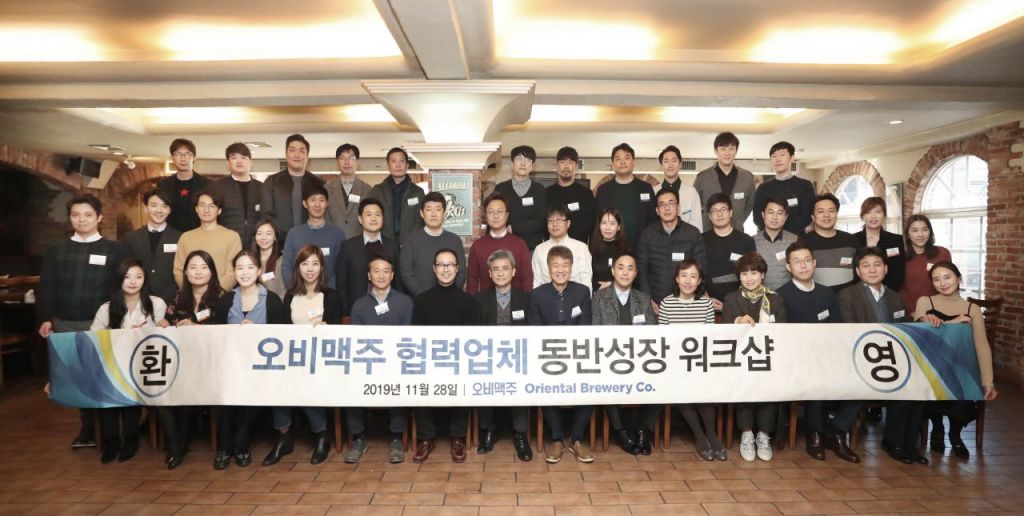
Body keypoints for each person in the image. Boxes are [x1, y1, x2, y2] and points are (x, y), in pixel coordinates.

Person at [37, 193, 128, 449]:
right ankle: (87, 428)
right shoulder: (56, 250)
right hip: (65, 322)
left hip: (100, 324)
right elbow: (47, 286)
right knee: (77, 377)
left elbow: (120, 287)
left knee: (102, 375)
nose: (82, 219)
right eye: (76, 215)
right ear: (70, 218)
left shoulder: (115, 249)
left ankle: (109, 430)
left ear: (99, 217)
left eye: (88, 215)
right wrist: (45, 318)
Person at [776, 243, 859, 463]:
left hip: (830, 356)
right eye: (797, 262)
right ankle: (815, 434)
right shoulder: (781, 295)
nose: (803, 265)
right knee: (816, 377)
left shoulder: (827, 293)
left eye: (807, 261)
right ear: (788, 267)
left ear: (814, 264)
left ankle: (837, 430)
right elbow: (781, 336)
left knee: (862, 380)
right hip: (797, 360)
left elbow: (838, 329)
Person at [837, 247, 921, 465]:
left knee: (916, 386)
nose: (872, 270)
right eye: (866, 266)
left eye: (877, 265)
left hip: (893, 360)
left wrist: (923, 320)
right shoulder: (847, 296)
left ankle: (902, 442)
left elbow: (905, 329)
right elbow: (849, 332)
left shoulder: (895, 297)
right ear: (858, 271)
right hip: (860, 359)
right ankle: (838, 432)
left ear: (885, 269)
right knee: (861, 387)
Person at [263, 246, 341, 467]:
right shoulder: (290, 296)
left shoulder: (331, 296)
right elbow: (283, 332)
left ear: (322, 268)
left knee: (304, 382)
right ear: (298, 268)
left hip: (322, 361)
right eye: (305, 264)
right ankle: (283, 435)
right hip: (294, 359)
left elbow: (339, 335)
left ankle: (322, 434)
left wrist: (328, 328)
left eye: (315, 264)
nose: (310, 269)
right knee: (280, 382)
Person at [914, 261, 997, 459]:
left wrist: (988, 381)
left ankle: (955, 433)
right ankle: (937, 429)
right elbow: (920, 330)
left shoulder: (972, 308)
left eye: (947, 277)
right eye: (936, 279)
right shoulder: (925, 302)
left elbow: (982, 346)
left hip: (961, 367)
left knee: (965, 393)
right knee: (931, 385)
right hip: (933, 366)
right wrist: (946, 321)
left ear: (958, 278)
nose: (942, 283)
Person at [212, 250, 287, 469]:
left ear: (259, 271)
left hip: (262, 368)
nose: (245, 273)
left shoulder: (272, 301)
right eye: (240, 268)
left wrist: (257, 332)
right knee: (224, 393)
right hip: (230, 365)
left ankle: (241, 445)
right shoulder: (226, 301)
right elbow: (217, 337)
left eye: (250, 267)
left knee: (250, 392)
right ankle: (224, 448)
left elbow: (281, 337)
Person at [90, 259, 167, 463]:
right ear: (119, 279)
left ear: (145, 280)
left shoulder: (156, 303)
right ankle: (111, 442)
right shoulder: (106, 308)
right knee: (108, 386)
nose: (133, 282)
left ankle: (131, 440)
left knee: (131, 386)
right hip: (113, 362)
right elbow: (94, 337)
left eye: (138, 277)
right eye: (127, 277)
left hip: (144, 364)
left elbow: (159, 335)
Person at [411, 249, 480, 463]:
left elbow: (473, 340)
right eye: (441, 265)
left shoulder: (469, 302)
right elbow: (417, 337)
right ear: (434, 269)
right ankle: (426, 437)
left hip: (459, 363)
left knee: (465, 380)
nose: (446, 269)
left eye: (450, 265)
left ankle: (458, 437)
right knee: (417, 381)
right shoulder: (422, 301)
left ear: (457, 269)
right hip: (429, 362)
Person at [529, 245, 594, 463]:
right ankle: (556, 439)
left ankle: (576, 439)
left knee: (592, 387)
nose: (560, 270)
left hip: (577, 357)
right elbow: (535, 331)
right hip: (548, 358)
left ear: (571, 267)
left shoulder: (582, 292)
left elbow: (585, 327)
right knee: (544, 387)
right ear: (548, 268)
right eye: (556, 265)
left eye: (565, 265)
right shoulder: (537, 295)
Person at [161, 250, 225, 469]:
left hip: (211, 364)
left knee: (186, 390)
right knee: (161, 393)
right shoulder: (179, 297)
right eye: (193, 267)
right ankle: (176, 444)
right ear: (186, 272)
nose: (198, 272)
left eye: (203, 267)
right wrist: (164, 325)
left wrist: (196, 327)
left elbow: (226, 332)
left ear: (212, 271)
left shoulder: (223, 297)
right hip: (181, 362)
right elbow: (168, 322)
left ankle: (180, 444)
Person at [347, 255, 414, 464]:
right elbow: (356, 341)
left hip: (396, 363)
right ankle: (358, 437)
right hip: (367, 364)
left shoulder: (405, 302)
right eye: (376, 271)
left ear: (392, 275)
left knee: (400, 381)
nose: (381, 275)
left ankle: (396, 437)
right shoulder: (359, 305)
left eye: (386, 271)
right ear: (369, 275)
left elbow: (408, 338)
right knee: (349, 383)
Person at [722, 252, 787, 462]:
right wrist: (737, 322)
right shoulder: (731, 299)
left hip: (769, 358)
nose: (749, 278)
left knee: (769, 388)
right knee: (744, 385)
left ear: (763, 275)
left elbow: (784, 330)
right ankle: (747, 434)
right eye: (744, 274)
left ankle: (764, 436)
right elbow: (724, 330)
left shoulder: (775, 299)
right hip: (740, 359)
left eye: (754, 273)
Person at [657, 260, 725, 461]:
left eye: (693, 276)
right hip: (674, 364)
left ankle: (712, 436)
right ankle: (700, 437)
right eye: (684, 276)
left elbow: (709, 336)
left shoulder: (705, 303)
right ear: (677, 279)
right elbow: (663, 338)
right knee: (680, 390)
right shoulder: (667, 303)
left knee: (704, 392)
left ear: (700, 281)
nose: (688, 281)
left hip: (700, 362)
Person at [592, 253, 658, 456]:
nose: (625, 272)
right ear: (613, 271)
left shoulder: (643, 299)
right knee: (606, 381)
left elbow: (652, 333)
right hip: (609, 359)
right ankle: (620, 431)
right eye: (621, 267)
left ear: (636, 273)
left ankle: (643, 430)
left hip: (640, 359)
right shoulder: (599, 298)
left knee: (661, 380)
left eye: (630, 268)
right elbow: (595, 331)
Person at [474, 250, 533, 460]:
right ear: (490, 273)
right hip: (488, 358)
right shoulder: (479, 300)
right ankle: (488, 431)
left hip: (519, 358)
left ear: (513, 271)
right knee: (484, 383)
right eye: (496, 269)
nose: (500, 273)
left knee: (522, 384)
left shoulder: (526, 299)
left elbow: (533, 331)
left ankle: (520, 434)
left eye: (505, 268)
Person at [636, 188, 707, 310]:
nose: (667, 208)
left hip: (686, 303)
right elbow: (641, 270)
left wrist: (692, 298)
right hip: (655, 305)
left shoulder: (693, 234)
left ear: (678, 208)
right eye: (662, 204)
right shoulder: (647, 234)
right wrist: (647, 300)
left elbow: (701, 268)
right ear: (657, 210)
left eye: (671, 203)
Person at [337, 198, 401, 318]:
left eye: (377, 214)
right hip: (357, 310)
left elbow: (397, 281)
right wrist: (346, 312)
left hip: (389, 310)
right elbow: (342, 283)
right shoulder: (348, 247)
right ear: (360, 219)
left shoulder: (393, 246)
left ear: (383, 218)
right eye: (369, 214)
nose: (373, 218)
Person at [120, 188, 181, 304]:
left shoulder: (180, 238)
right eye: (154, 205)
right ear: (146, 207)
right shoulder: (131, 238)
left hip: (171, 302)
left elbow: (181, 271)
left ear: (169, 210)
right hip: (138, 300)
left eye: (164, 206)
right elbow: (125, 270)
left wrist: (166, 299)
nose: (159, 210)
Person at [173, 190, 243, 290]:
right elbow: (178, 270)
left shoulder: (232, 237)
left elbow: (232, 272)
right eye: (202, 205)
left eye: (212, 206)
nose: (206, 210)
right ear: (196, 209)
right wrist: (190, 293)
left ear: (219, 211)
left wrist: (217, 293)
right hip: (191, 296)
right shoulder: (186, 237)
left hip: (220, 295)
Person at [400, 192, 467, 295]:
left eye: (438, 209)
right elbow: (406, 272)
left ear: (444, 213)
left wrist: (451, 295)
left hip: (450, 299)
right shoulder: (410, 240)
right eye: (429, 209)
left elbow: (461, 273)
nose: (433, 214)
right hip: (420, 299)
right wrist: (423, 297)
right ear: (422, 213)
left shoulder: (455, 240)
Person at [281, 182, 346, 289]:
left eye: (321, 200)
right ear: (305, 204)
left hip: (329, 293)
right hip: (299, 293)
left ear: (327, 203)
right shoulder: (294, 234)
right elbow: (286, 266)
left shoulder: (338, 234)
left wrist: (328, 292)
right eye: (313, 200)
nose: (317, 204)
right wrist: (297, 290)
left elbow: (341, 268)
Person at [466, 193, 533, 294]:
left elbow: (527, 278)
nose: (495, 216)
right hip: (485, 302)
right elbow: (472, 279)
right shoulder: (477, 246)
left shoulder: (520, 244)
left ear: (507, 215)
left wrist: (526, 300)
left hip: (516, 301)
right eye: (491, 212)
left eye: (500, 211)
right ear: (485, 215)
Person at [594, 143, 657, 249]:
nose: (622, 162)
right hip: (611, 248)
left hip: (641, 248)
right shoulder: (603, 190)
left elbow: (653, 221)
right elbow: (597, 222)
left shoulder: (646, 188)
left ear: (633, 162)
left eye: (626, 158)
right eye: (618, 159)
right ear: (613, 164)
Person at [262, 134, 325, 239]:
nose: (297, 155)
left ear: (307, 156)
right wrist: (281, 235)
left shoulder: (318, 183)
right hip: (280, 241)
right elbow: (266, 215)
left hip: (312, 240)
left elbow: (324, 213)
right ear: (286, 155)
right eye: (292, 150)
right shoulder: (271, 182)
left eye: (301, 151)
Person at [693, 132, 757, 232]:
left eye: (731, 149)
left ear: (736, 151)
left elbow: (749, 206)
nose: (727, 153)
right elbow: (694, 207)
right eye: (723, 149)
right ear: (716, 151)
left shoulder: (747, 178)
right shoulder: (702, 178)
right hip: (708, 234)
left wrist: (737, 221)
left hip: (737, 233)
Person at [702, 193, 756, 307]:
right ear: (709, 216)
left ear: (730, 213)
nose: (719, 214)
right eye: (714, 210)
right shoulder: (701, 240)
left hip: (740, 303)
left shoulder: (746, 241)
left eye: (723, 209)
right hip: (707, 303)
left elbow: (753, 272)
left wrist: (735, 300)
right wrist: (706, 298)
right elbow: (696, 271)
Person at [752, 141, 815, 235]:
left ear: (792, 158)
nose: (778, 159)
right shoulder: (763, 188)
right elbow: (757, 217)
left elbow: (807, 216)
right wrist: (772, 235)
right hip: (770, 239)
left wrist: (786, 237)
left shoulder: (805, 186)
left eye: (782, 155)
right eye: (774, 156)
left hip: (797, 239)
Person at [210, 142, 264, 248]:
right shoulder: (217, 187)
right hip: (225, 244)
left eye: (243, 157)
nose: (239, 161)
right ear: (228, 163)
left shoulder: (262, 188)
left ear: (250, 162)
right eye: (234, 158)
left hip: (256, 245)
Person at [495, 145, 548, 250]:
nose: (523, 163)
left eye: (528, 160)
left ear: (533, 166)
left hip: (532, 248)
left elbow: (541, 221)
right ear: (512, 163)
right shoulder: (501, 188)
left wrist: (513, 227)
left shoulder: (539, 190)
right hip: (506, 246)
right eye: (519, 159)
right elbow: (495, 216)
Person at [802, 193, 858, 293]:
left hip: (848, 298)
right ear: (813, 217)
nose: (826, 215)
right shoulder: (803, 242)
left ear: (836, 214)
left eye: (831, 211)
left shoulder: (851, 240)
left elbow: (859, 271)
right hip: (816, 298)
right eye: (821, 211)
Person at [369, 147, 425, 244]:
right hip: (383, 243)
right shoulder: (377, 191)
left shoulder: (417, 192)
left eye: (401, 161)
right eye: (394, 161)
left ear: (407, 165)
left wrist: (411, 241)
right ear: (388, 166)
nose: (398, 165)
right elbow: (372, 217)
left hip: (410, 244)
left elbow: (420, 220)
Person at [532, 204, 592, 290]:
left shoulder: (581, 248)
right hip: (547, 296)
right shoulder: (539, 250)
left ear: (568, 223)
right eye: (550, 220)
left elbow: (586, 280)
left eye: (559, 220)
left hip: (575, 295)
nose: (554, 224)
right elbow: (537, 281)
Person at [899, 214, 952, 311]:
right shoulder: (900, 258)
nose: (920, 234)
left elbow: (952, 284)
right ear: (908, 235)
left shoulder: (943, 253)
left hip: (940, 311)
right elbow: (897, 290)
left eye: (924, 229)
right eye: (915, 230)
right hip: (910, 312)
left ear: (930, 232)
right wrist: (912, 312)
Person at [157, 138, 211, 233]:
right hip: (170, 235)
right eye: (178, 154)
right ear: (172, 158)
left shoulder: (207, 184)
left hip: (199, 234)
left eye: (188, 154)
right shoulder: (163, 185)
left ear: (194, 158)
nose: (183, 158)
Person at [853, 196, 905, 291]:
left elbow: (899, 271)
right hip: (859, 293)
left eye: (878, 212)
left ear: (884, 215)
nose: (873, 216)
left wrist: (882, 292)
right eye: (868, 212)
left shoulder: (897, 240)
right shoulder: (853, 239)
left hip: (889, 291)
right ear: (863, 216)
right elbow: (852, 270)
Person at [546, 146, 596, 243]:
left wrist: (572, 244)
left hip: (578, 246)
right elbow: (544, 222)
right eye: (562, 162)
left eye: (570, 162)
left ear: (576, 166)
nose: (566, 166)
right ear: (556, 165)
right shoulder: (547, 193)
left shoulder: (586, 194)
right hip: (553, 246)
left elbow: (590, 224)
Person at [326, 143, 373, 238]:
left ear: (357, 162)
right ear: (337, 162)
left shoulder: (367, 189)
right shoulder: (327, 189)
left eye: (351, 158)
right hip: (332, 240)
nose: (346, 162)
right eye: (342, 158)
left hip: (358, 241)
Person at [753, 196, 799, 290]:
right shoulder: (751, 241)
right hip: (760, 295)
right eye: (770, 212)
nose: (775, 217)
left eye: (779, 213)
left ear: (786, 217)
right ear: (763, 215)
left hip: (788, 295)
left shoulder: (795, 240)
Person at [656, 145, 702, 231]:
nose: (670, 165)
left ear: (680, 164)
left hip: (687, 238)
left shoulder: (691, 192)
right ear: (661, 165)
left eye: (674, 161)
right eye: (666, 161)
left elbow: (697, 224)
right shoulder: (654, 191)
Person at [589, 209, 629, 291]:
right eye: (604, 223)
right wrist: (597, 286)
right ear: (599, 226)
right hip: (596, 293)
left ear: (618, 227)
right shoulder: (591, 249)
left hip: (619, 292)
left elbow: (630, 275)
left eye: (612, 223)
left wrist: (612, 284)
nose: (607, 227)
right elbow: (585, 275)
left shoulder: (626, 250)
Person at [253, 218, 287, 299]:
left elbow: (285, 290)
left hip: (277, 304)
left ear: (275, 237)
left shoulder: (282, 260)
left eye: (268, 234)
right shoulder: (251, 260)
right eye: (259, 233)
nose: (263, 237)